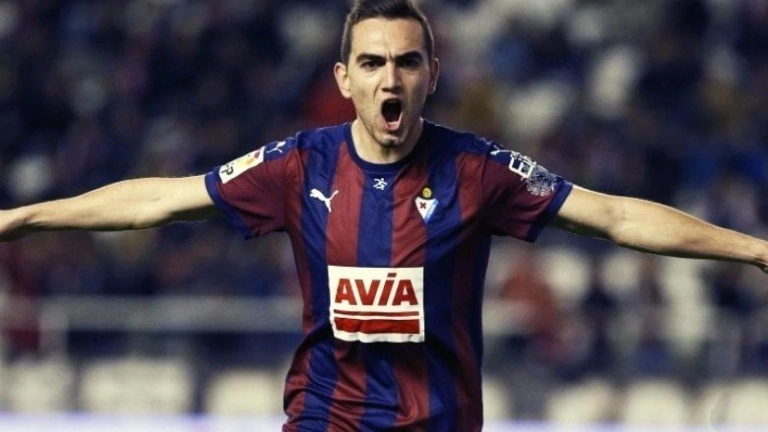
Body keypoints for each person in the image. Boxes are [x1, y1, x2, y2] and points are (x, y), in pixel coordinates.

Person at [1, 0, 767, 430]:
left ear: (432, 74)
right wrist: (23, 218)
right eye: (372, 63)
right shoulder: (299, 164)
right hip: (326, 419)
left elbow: (618, 218)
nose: (389, 79)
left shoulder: (478, 171)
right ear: (345, 79)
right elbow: (158, 200)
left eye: (406, 61)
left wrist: (756, 249)